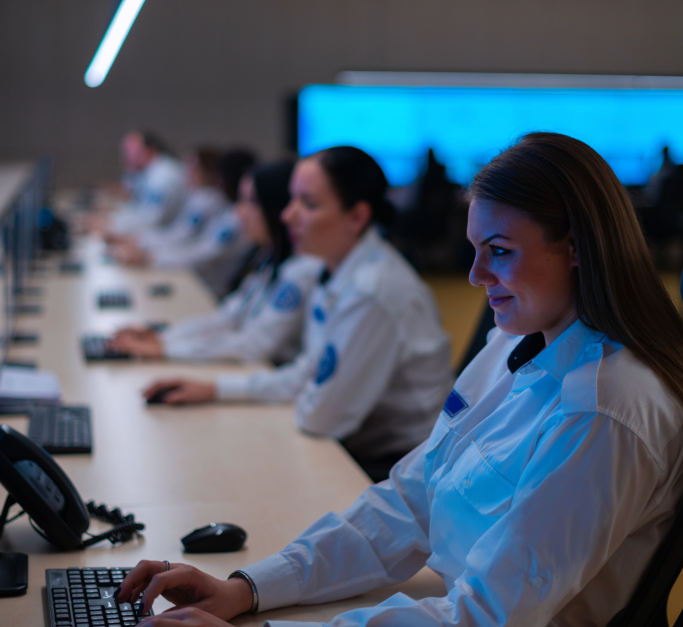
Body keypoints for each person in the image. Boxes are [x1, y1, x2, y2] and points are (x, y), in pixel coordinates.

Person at [115, 133, 683, 627]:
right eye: (475, 250)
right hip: (444, 596)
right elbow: (412, 498)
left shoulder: (604, 409)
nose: (475, 276)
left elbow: (490, 617)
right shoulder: (517, 342)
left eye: (500, 253)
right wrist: (247, 588)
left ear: (579, 248)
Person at [141, 146, 453, 481]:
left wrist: (254, 396)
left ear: (358, 217)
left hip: (402, 469)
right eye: (292, 200)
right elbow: (308, 373)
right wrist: (216, 390)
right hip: (352, 444)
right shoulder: (331, 269)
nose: (288, 215)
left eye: (309, 203)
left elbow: (321, 416)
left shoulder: (371, 292)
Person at [110, 160, 322, 366]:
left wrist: (166, 349)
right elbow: (229, 317)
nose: (240, 212)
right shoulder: (270, 257)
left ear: (274, 206)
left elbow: (254, 345)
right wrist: (163, 337)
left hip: (266, 376)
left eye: (251, 203)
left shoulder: (301, 272)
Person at [110, 148, 251, 267]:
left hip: (202, 280)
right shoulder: (204, 199)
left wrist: (149, 256)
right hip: (184, 266)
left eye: (193, 168)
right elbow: (182, 236)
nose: (186, 173)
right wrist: (142, 244)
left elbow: (201, 251)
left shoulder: (220, 208)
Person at [106, 130, 186, 236]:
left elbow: (152, 220)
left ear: (150, 150)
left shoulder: (164, 176)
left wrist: (112, 225)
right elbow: (138, 208)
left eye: (132, 152)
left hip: (165, 239)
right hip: (158, 236)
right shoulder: (146, 172)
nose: (126, 158)